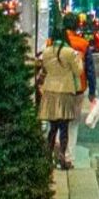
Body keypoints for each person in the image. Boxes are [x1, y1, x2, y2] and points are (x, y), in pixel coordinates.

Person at [36, 32, 85, 170]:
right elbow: (78, 71)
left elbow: (43, 70)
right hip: (65, 91)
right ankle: (62, 158)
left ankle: (48, 157)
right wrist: (79, 59)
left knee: (53, 128)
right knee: (64, 128)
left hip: (50, 91)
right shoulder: (70, 52)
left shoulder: (46, 52)